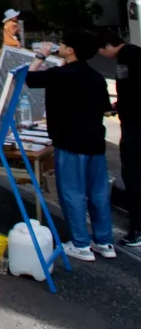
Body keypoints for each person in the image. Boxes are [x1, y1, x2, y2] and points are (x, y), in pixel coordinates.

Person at [26, 30, 115, 261]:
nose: (60, 47)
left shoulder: (60, 74)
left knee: (72, 193)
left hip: (69, 141)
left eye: (63, 44)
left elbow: (29, 77)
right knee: (98, 193)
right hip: (95, 141)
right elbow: (107, 109)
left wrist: (41, 56)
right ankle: (104, 241)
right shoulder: (96, 77)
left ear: (71, 50)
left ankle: (80, 244)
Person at [97, 30, 141, 251]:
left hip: (135, 127)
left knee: (133, 176)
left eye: (100, 49)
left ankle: (137, 228)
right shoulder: (135, 53)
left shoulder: (127, 59)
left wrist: (119, 107)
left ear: (107, 45)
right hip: (134, 122)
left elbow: (130, 93)